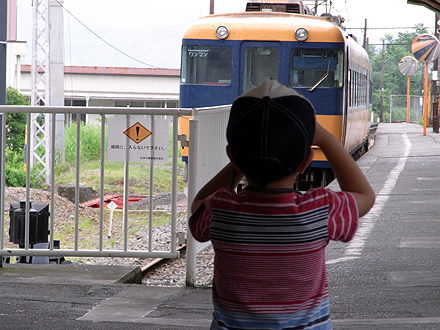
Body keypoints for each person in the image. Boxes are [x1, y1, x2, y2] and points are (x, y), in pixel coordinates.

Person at [189, 78, 375, 330]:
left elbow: (197, 204)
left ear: (232, 157)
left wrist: (239, 163)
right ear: (305, 161)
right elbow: (364, 195)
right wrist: (328, 139)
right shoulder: (319, 209)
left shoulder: (220, 208)